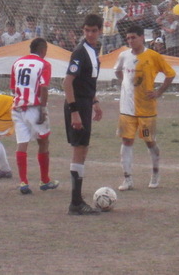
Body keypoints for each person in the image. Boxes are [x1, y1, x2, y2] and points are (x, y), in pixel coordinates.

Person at [114, 25, 176, 191]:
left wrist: (159, 92)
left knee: (149, 141)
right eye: (128, 38)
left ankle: (155, 173)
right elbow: (118, 71)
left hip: (146, 109)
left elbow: (170, 74)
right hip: (126, 108)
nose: (130, 41)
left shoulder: (153, 56)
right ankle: (127, 179)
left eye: (133, 37)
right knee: (126, 140)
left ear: (142, 37)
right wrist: (126, 85)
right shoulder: (123, 55)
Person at [63, 13, 103, 215]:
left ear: (100, 31)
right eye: (87, 30)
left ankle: (77, 200)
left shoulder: (93, 51)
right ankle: (76, 202)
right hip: (77, 105)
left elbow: (87, 81)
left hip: (86, 103)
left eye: (93, 31)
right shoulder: (79, 52)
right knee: (79, 149)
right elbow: (67, 82)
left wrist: (94, 101)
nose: (90, 34)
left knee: (83, 149)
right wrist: (74, 112)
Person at [11, 38, 59, 194]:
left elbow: (13, 88)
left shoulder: (17, 63)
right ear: (43, 49)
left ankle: (23, 182)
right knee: (43, 141)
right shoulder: (44, 64)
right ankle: (45, 180)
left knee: (22, 143)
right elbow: (44, 87)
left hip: (18, 107)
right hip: (34, 107)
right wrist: (42, 109)